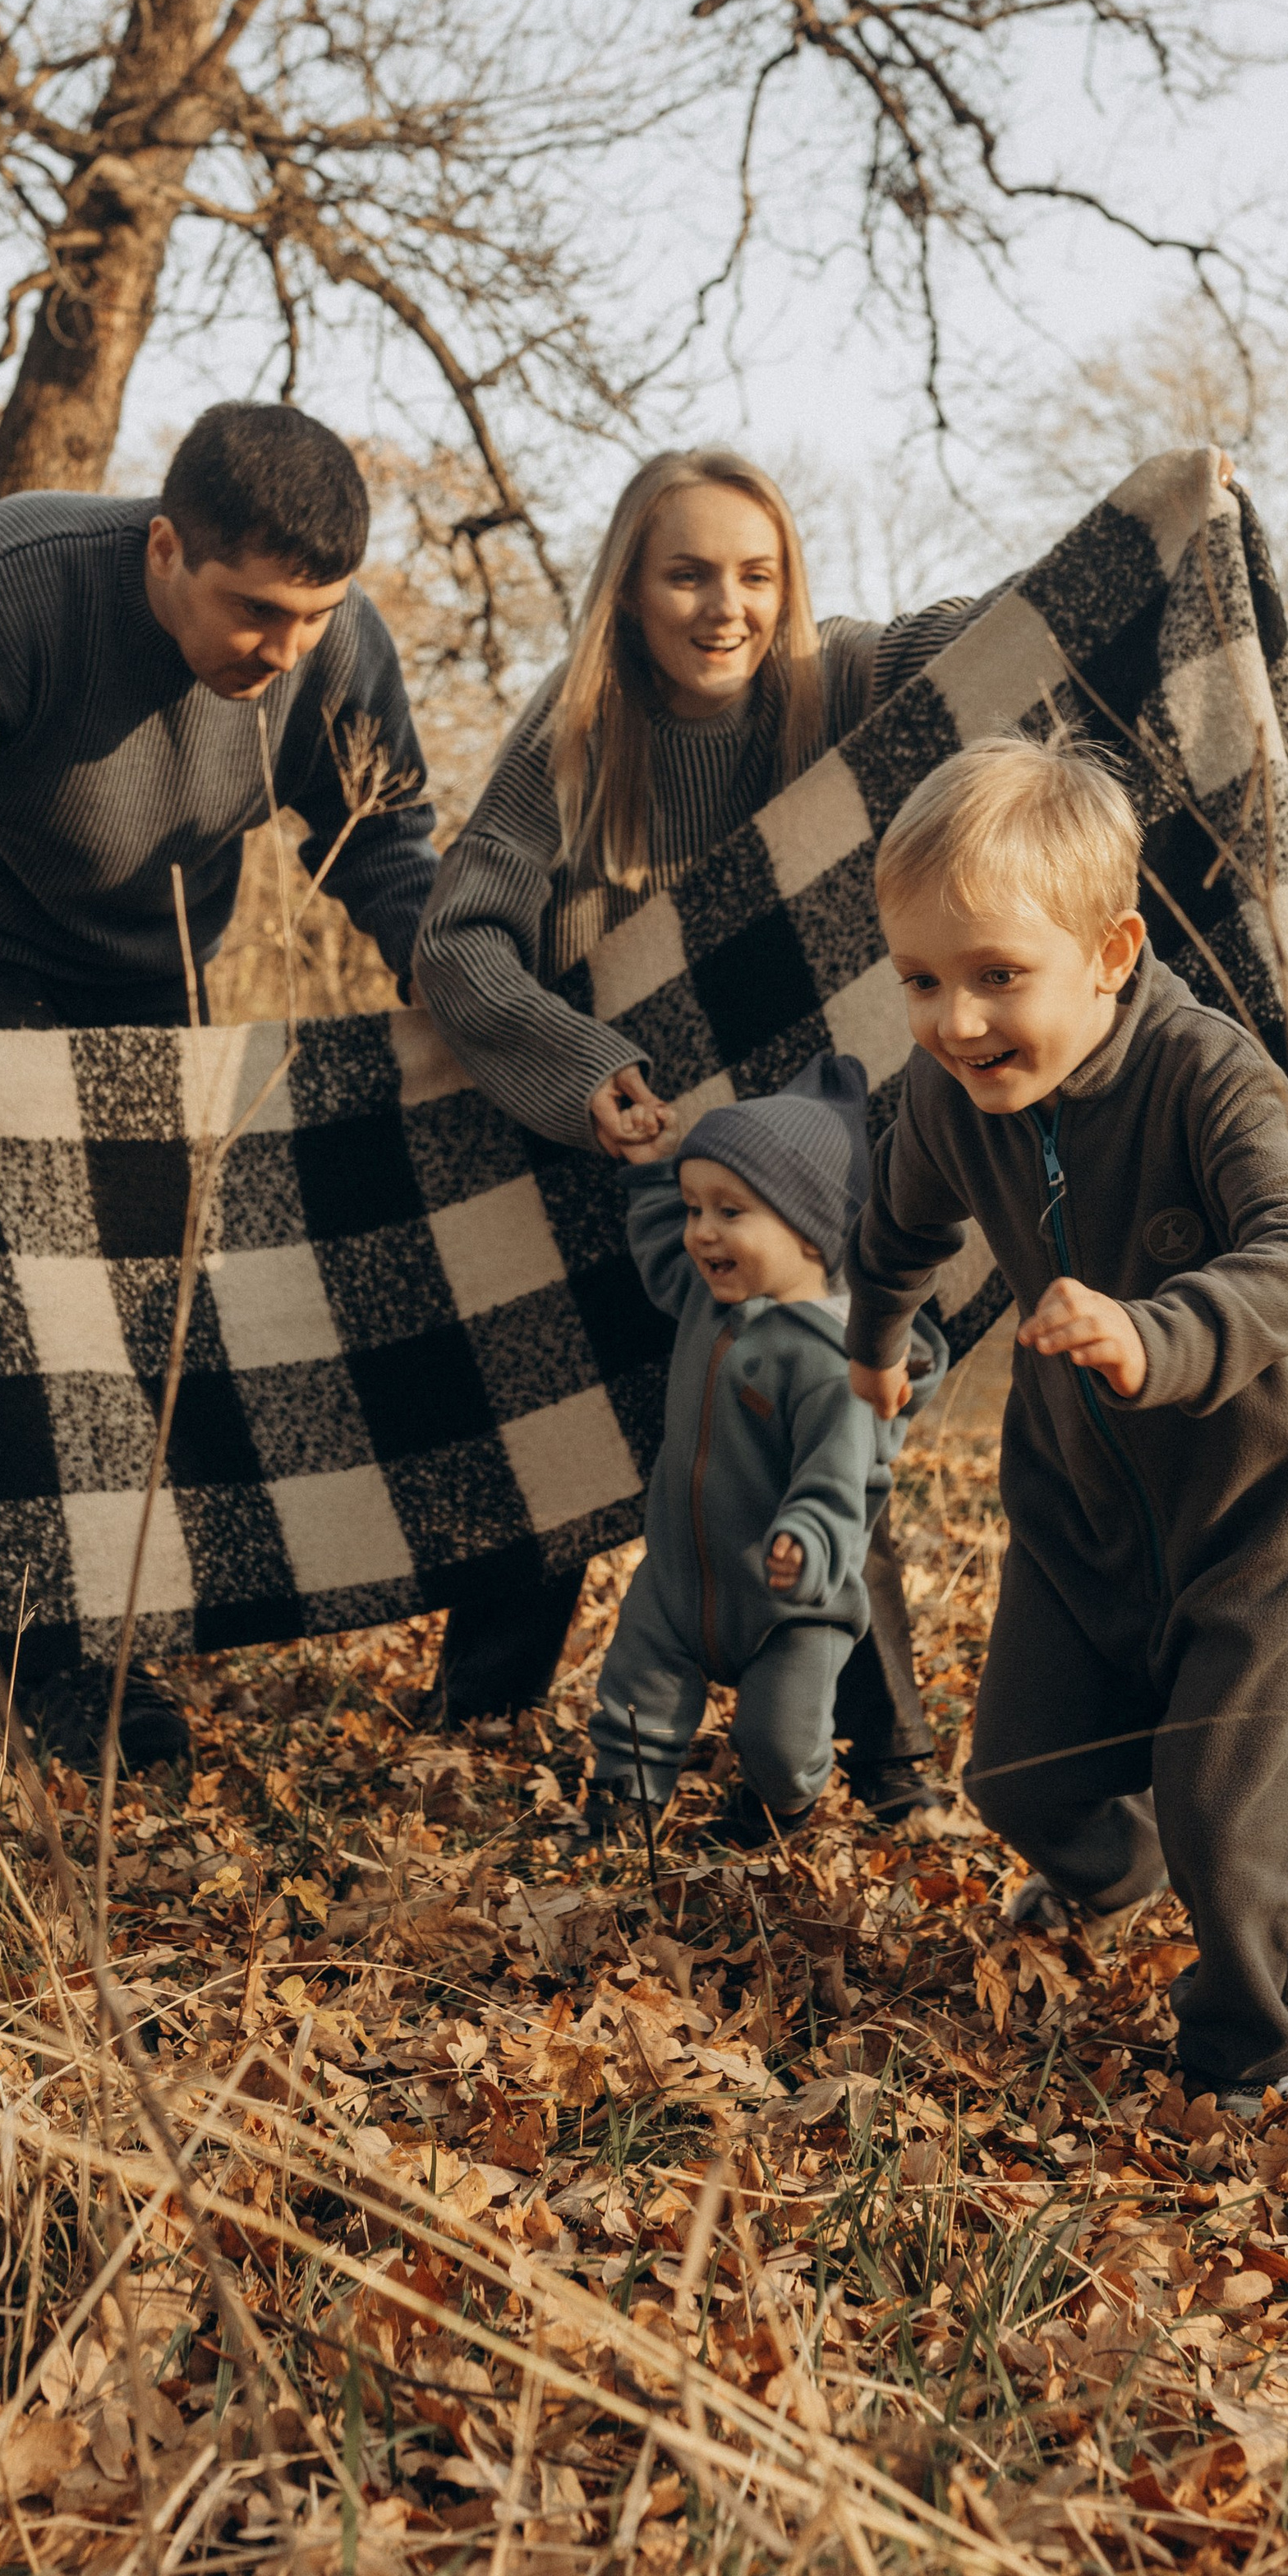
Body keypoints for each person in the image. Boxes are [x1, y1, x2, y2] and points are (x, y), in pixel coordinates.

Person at [0, 401, 439, 1763]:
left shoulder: (335, 646)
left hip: (157, 976)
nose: (288, 649)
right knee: (14, 1321)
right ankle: (45, 1672)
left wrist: (465, 981)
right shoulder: (7, 590)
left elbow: (386, 847)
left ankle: (112, 1613)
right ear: (166, 547)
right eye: (255, 612)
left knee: (138, 1324)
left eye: (315, 616)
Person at [414, 445, 982, 1795]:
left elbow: (989, 633)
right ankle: (474, 1721)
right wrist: (572, 1059)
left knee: (813, 1404)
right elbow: (459, 937)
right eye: (687, 575)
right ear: (630, 588)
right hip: (603, 1144)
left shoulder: (833, 680)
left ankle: (888, 1763)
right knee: (547, 1420)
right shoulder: (576, 727)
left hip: (783, 1167)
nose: (725, 607)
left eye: (755, 574)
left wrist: (1149, 526)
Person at [844, 738, 1288, 2117]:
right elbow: (894, 1237)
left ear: (1112, 950)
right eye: (925, 981)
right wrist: (878, 1352)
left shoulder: (1205, 1074)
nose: (955, 1022)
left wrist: (1156, 1331)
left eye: (999, 976)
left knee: (1218, 1806)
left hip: (1246, 1500)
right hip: (1075, 1506)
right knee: (1018, 1771)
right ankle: (1119, 1878)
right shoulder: (954, 1103)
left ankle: (1269, 2043)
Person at [582, 1055, 945, 1851]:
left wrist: (807, 1541)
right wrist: (650, 1180)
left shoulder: (834, 1362)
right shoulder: (708, 1299)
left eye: (730, 1211)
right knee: (635, 1697)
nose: (701, 1231)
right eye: (693, 1207)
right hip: (680, 1578)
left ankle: (775, 1818)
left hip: (791, 1603)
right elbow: (658, 1251)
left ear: (811, 1227)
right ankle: (618, 1814)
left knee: (780, 1744)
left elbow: (839, 1478)